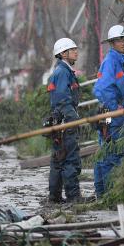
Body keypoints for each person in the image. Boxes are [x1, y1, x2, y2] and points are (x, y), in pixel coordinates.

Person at [93, 24, 124, 197]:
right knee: (112, 155)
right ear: (112, 43)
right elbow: (102, 88)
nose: (123, 43)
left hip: (112, 114)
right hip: (112, 115)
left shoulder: (119, 61)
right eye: (118, 40)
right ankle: (109, 195)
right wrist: (115, 108)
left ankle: (102, 194)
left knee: (105, 153)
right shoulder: (111, 62)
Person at [47, 37, 82, 203]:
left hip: (59, 123)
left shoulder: (64, 71)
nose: (76, 52)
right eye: (72, 49)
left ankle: (54, 197)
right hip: (65, 123)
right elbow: (62, 99)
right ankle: (74, 197)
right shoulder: (62, 72)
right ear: (63, 53)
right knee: (70, 160)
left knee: (58, 160)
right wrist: (73, 119)